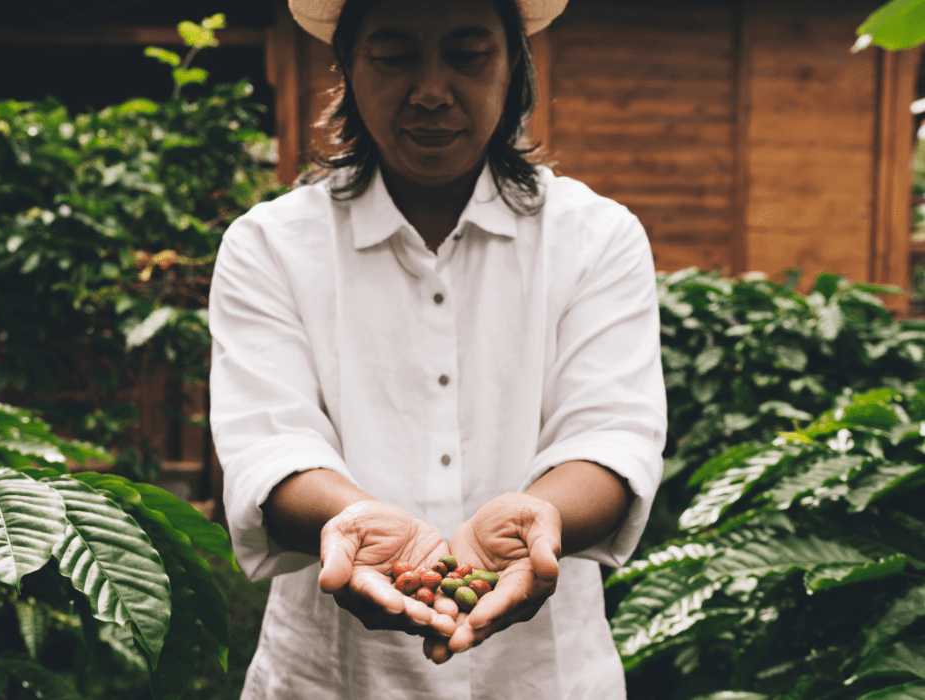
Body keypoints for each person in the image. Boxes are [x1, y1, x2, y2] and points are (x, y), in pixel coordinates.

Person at [208, 0, 667, 696]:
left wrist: (544, 515)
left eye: (468, 54)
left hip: (545, 678)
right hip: (329, 678)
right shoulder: (269, 247)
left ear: (515, 67)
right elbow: (269, 444)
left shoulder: (596, 238)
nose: (429, 90)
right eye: (393, 56)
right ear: (347, 69)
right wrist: (349, 520)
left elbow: (610, 431)